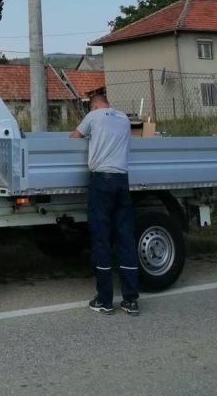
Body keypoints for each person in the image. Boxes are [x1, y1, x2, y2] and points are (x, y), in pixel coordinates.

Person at [70, 93, 140, 315]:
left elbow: (74, 137)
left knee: (101, 238)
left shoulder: (93, 116)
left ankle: (104, 300)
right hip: (122, 181)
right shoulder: (124, 119)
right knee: (126, 239)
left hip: (102, 182)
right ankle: (130, 301)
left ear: (94, 106)